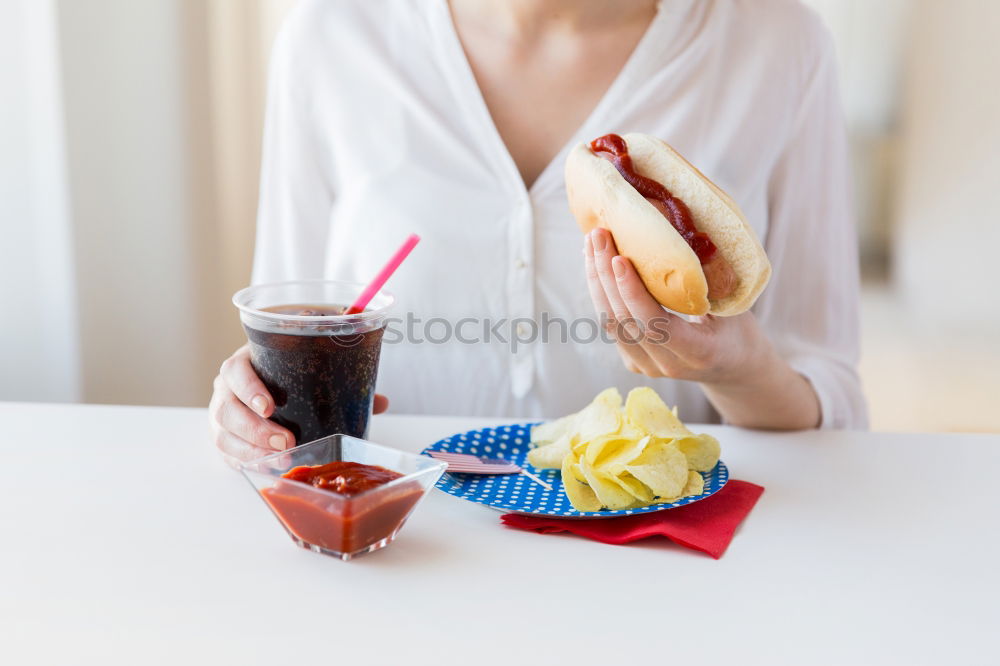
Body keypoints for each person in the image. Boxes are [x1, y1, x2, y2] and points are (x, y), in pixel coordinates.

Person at [210, 0, 868, 464]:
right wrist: (255, 407)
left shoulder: (778, 43)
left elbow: (829, 395)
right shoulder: (331, 37)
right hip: (400, 545)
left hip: (661, 563)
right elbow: (287, 321)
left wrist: (735, 368)